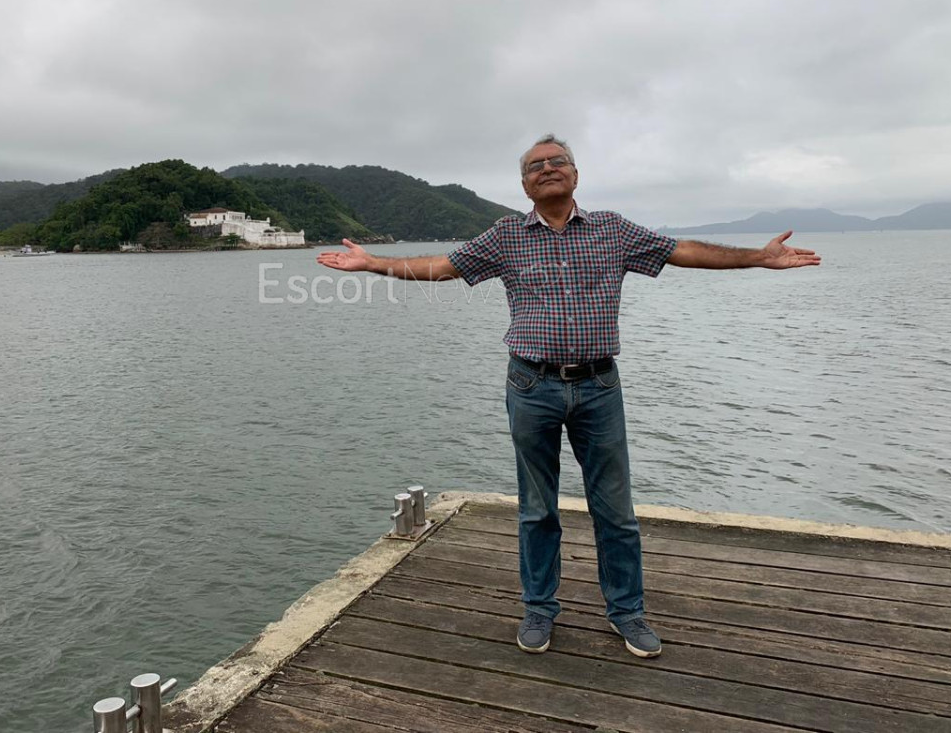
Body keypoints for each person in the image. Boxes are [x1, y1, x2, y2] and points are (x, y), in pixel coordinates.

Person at [316, 134, 820, 658]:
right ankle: (539, 609)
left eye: (558, 161)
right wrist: (373, 264)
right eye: (536, 165)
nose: (548, 168)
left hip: (599, 386)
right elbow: (442, 266)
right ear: (525, 185)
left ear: (576, 176)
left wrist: (758, 257)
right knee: (537, 509)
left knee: (616, 511)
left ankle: (627, 612)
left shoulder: (612, 230)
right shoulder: (506, 236)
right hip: (530, 385)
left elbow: (683, 251)